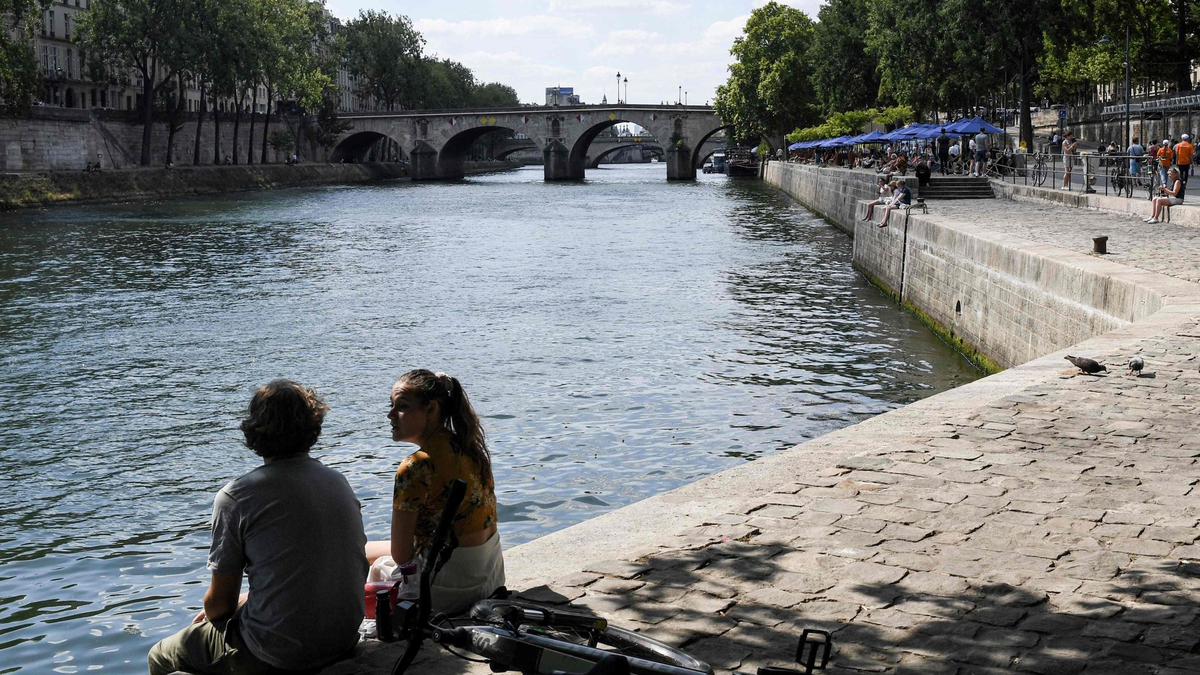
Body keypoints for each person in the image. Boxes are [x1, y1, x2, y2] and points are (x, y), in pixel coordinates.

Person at [148, 381, 368, 675]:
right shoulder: (337, 481)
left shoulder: (237, 496)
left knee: (161, 655)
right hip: (341, 638)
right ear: (313, 428)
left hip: (278, 653)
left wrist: (228, 609)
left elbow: (219, 605)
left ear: (254, 431)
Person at [365, 370, 505, 617]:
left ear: (431, 409)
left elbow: (401, 555)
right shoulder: (470, 447)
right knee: (366, 548)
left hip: (446, 590)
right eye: (392, 406)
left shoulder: (416, 466)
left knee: (358, 554)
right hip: (489, 578)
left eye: (402, 407)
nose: (390, 415)